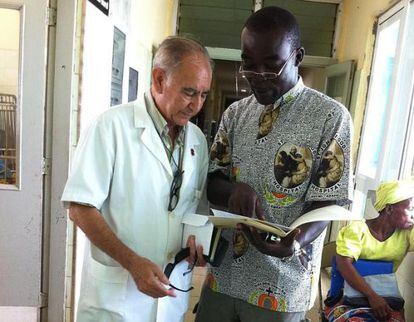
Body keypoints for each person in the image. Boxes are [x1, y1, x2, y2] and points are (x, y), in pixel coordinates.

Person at [195, 6, 353, 322]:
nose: (259, 78)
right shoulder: (235, 115)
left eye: (271, 66)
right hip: (223, 276)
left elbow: (331, 201)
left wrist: (296, 241)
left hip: (282, 284)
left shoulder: (330, 118)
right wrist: (233, 190)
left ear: (297, 57)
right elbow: (212, 182)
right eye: (249, 66)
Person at [61, 36, 212, 322]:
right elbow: (80, 208)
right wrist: (132, 262)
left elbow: (193, 210)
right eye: (189, 92)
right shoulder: (111, 127)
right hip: (115, 301)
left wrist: (196, 243)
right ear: (158, 80)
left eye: (204, 94)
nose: (196, 105)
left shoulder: (197, 140)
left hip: (170, 296)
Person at [329, 179, 414, 322]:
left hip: (387, 298)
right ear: (389, 209)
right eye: (411, 209)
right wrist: (372, 296)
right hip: (348, 298)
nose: (413, 214)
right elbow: (343, 264)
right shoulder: (357, 230)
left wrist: (378, 299)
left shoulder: (407, 232)